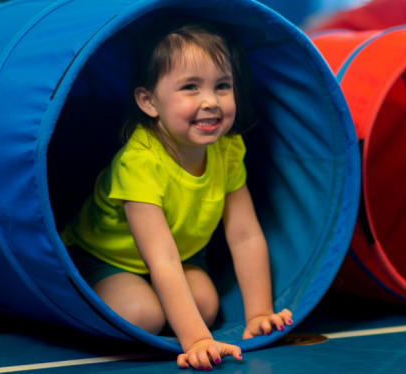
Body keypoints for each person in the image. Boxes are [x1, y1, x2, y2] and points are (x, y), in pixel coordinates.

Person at [61, 19, 293, 370]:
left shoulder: (227, 150)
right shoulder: (139, 163)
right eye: (190, 87)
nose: (210, 101)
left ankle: (168, 304)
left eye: (223, 86)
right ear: (149, 101)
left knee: (205, 305)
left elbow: (244, 235)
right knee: (143, 316)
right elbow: (161, 260)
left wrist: (259, 312)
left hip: (182, 255)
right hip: (105, 256)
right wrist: (197, 341)